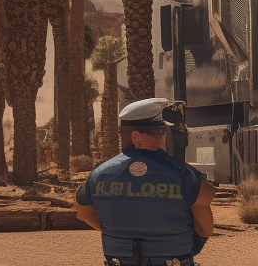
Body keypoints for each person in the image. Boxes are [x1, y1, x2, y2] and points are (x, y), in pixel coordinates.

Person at [76, 98, 216, 266]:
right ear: (137, 137)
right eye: (159, 135)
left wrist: (119, 234)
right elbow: (205, 229)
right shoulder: (185, 174)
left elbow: (83, 213)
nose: (163, 140)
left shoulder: (97, 175)